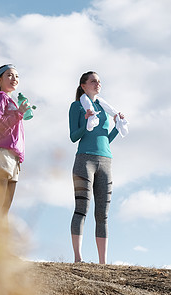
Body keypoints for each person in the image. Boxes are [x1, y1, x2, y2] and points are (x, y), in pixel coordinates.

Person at [68, 71, 125, 264]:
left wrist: (117, 126)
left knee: (103, 214)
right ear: (83, 85)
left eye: (99, 81)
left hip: (106, 161)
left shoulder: (104, 108)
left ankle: (103, 262)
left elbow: (105, 140)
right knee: (81, 209)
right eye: (93, 81)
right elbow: (74, 136)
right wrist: (86, 121)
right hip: (84, 160)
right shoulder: (76, 106)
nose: (97, 84)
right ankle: (78, 258)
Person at [0, 64, 30, 215]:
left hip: (13, 160)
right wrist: (18, 114)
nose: (14, 79)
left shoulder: (12, 102)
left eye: (16, 76)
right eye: (9, 75)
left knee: (3, 210)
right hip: (0, 155)